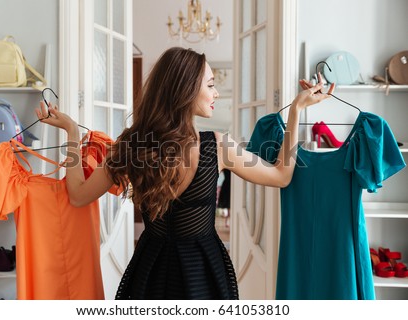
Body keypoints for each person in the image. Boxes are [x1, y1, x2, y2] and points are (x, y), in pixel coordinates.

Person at [35, 47, 334, 299]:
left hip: (148, 273)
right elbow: (282, 175)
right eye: (211, 85)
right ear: (186, 90)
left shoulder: (131, 144)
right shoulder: (217, 146)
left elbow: (76, 195)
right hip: (203, 273)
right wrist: (295, 112)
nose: (216, 93)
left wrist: (72, 133)